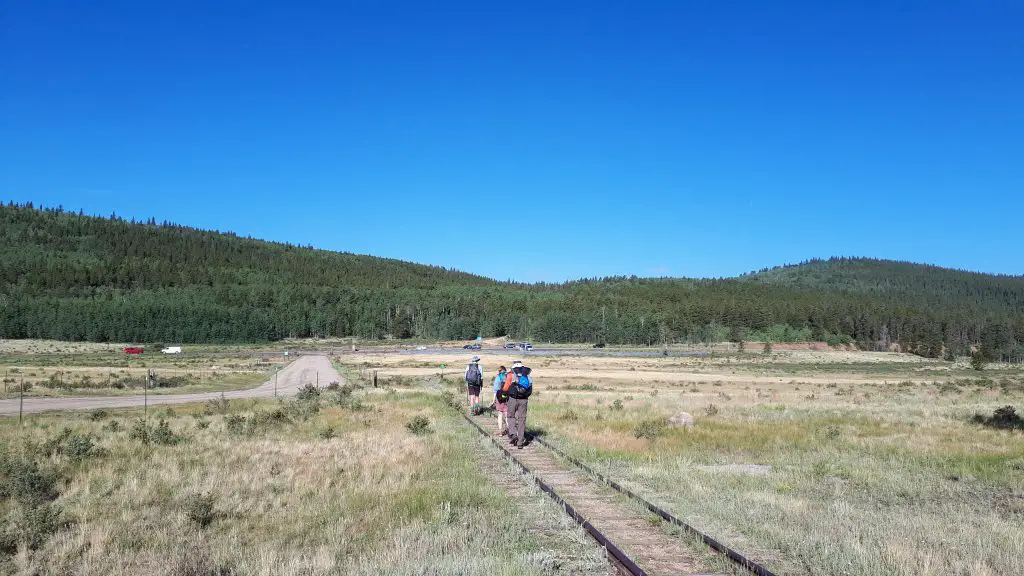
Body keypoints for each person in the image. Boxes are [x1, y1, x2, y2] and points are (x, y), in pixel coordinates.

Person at [504, 361, 533, 448]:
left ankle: (513, 434)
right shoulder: (527, 375)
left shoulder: (511, 374)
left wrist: (504, 394)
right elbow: (530, 388)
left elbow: (505, 388)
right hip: (524, 400)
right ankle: (520, 442)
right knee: (522, 419)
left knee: (510, 416)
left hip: (513, 399)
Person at [492, 365, 509, 435]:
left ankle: (500, 432)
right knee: (507, 414)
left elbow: (495, 390)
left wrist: (493, 401)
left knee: (500, 414)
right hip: (507, 397)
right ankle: (509, 431)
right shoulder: (508, 376)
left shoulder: (498, 377)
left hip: (499, 398)